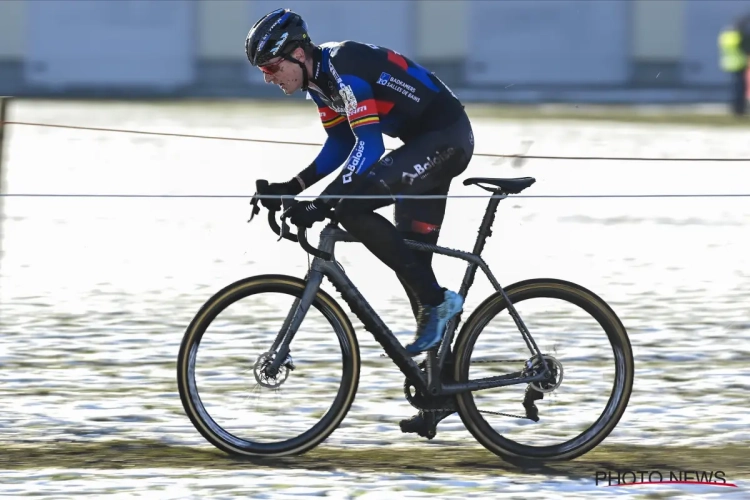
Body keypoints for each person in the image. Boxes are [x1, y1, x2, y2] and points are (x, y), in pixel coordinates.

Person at [246, 8, 474, 437]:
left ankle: (440, 303)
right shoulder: (320, 83)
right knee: (410, 260)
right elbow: (340, 144)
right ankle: (440, 391)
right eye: (263, 70)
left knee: (352, 207)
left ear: (297, 54)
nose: (268, 78)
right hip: (422, 144)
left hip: (445, 139)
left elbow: (368, 149)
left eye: (272, 67)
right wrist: (292, 186)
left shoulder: (344, 70)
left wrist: (322, 203)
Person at [718, 13, 750, 116]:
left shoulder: (726, 35)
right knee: (740, 88)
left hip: (729, 63)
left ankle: (735, 108)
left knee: (734, 88)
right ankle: (740, 109)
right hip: (740, 63)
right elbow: (746, 49)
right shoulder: (740, 36)